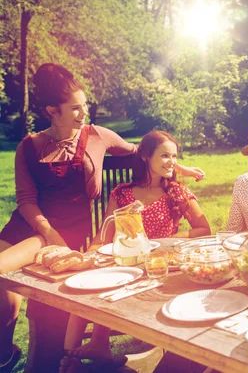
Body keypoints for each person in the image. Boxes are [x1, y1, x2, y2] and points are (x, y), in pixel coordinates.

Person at [0, 63, 203, 372]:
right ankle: (6, 350)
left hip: (68, 235)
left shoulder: (98, 136)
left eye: (85, 107)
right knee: (4, 287)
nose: (84, 114)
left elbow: (144, 151)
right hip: (32, 227)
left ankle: (10, 353)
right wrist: (49, 233)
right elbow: (26, 201)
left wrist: (180, 168)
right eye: (76, 108)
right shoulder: (29, 146)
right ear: (52, 111)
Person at [61, 130, 211, 372]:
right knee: (83, 283)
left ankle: (92, 347)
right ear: (145, 157)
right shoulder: (123, 193)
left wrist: (167, 239)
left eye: (174, 156)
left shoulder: (176, 192)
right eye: (164, 155)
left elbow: (204, 229)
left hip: (160, 268)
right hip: (127, 262)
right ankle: (73, 356)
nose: (172, 162)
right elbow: (105, 234)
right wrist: (89, 255)